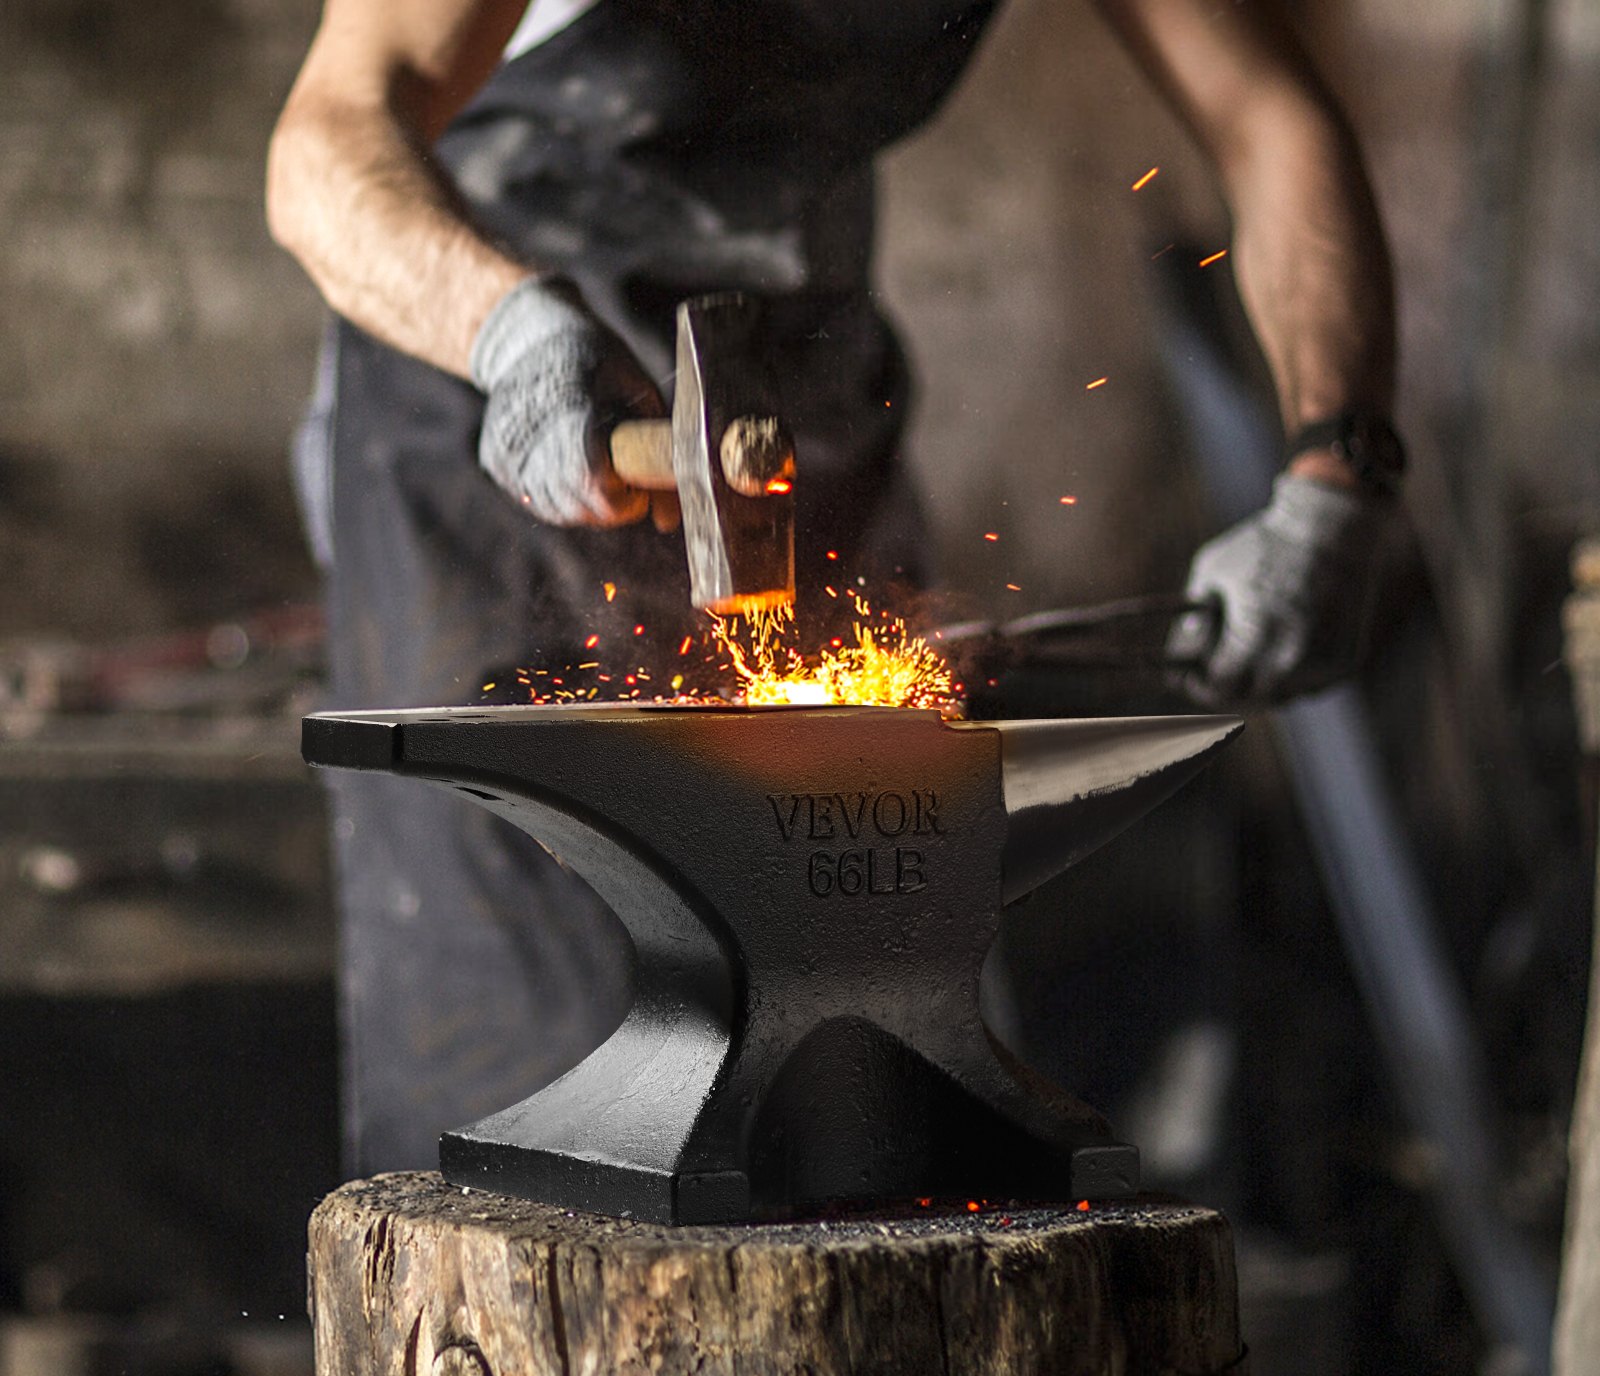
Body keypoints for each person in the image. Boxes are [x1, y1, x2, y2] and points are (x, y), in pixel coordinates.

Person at [266, 0, 1400, 1175]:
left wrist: (1340, 467)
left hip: (794, 410)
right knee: (545, 1077)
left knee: (860, 1014)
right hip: (501, 424)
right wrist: (504, 335)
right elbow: (324, 144)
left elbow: (1270, 115)